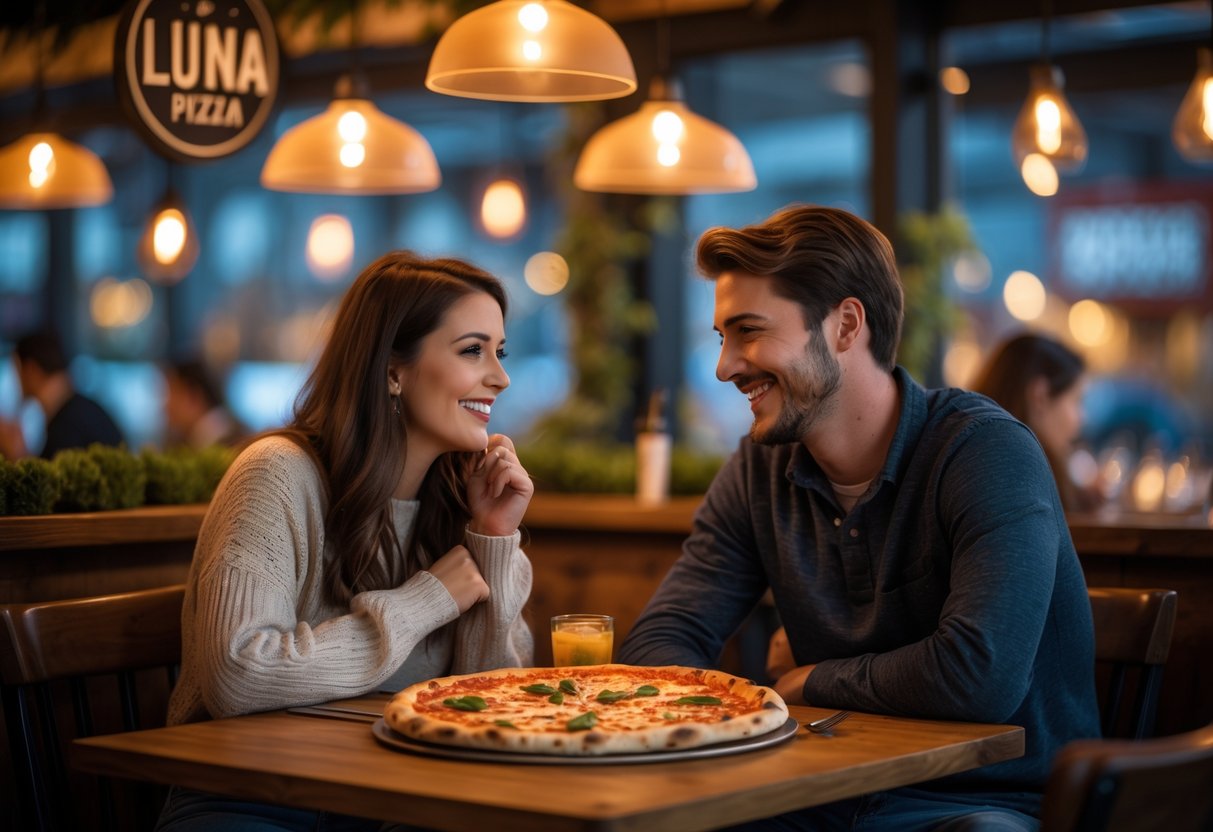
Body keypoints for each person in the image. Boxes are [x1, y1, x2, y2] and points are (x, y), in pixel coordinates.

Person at [618, 205, 1099, 831]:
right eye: (722, 338)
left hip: (979, 803)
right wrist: (756, 699)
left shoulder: (984, 451)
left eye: (750, 332)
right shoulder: (759, 468)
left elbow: (978, 676)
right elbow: (657, 646)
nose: (725, 366)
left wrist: (810, 679)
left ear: (846, 325)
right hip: (816, 794)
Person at [157, 252, 535, 832]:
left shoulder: (465, 503)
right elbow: (238, 674)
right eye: (472, 350)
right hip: (250, 797)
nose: (500, 376)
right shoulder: (276, 475)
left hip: (390, 799)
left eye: (499, 351)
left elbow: (491, 705)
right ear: (392, 369)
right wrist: (426, 599)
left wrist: (492, 537)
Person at [971, 333, 1097, 513]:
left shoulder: (976, 455)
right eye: (1076, 400)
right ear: (1040, 396)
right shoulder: (1024, 474)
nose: (1083, 417)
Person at [0, 329, 124, 460]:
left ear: (31, 370)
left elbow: (56, 477)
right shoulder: (83, 412)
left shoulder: (67, 428)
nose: (14, 380)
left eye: (16, 369)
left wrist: (16, 458)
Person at [162, 358, 249, 448]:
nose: (166, 406)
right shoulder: (225, 432)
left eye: (171, 393)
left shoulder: (230, 443)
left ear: (192, 396)